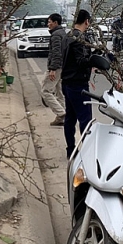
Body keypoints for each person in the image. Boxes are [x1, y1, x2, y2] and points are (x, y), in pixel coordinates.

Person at [60, 9, 96, 158]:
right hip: (78, 85)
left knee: (70, 118)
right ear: (87, 21)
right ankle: (87, 153)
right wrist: (94, 61)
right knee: (85, 120)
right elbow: (82, 61)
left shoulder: (67, 36)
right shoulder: (79, 39)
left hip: (67, 82)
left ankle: (71, 150)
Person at [42, 13, 68, 126]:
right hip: (62, 67)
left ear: (55, 23)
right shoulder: (62, 33)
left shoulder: (56, 35)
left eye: (49, 22)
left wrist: (52, 69)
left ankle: (61, 113)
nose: (48, 24)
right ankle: (61, 118)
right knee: (59, 92)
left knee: (46, 91)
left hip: (56, 67)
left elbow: (56, 53)